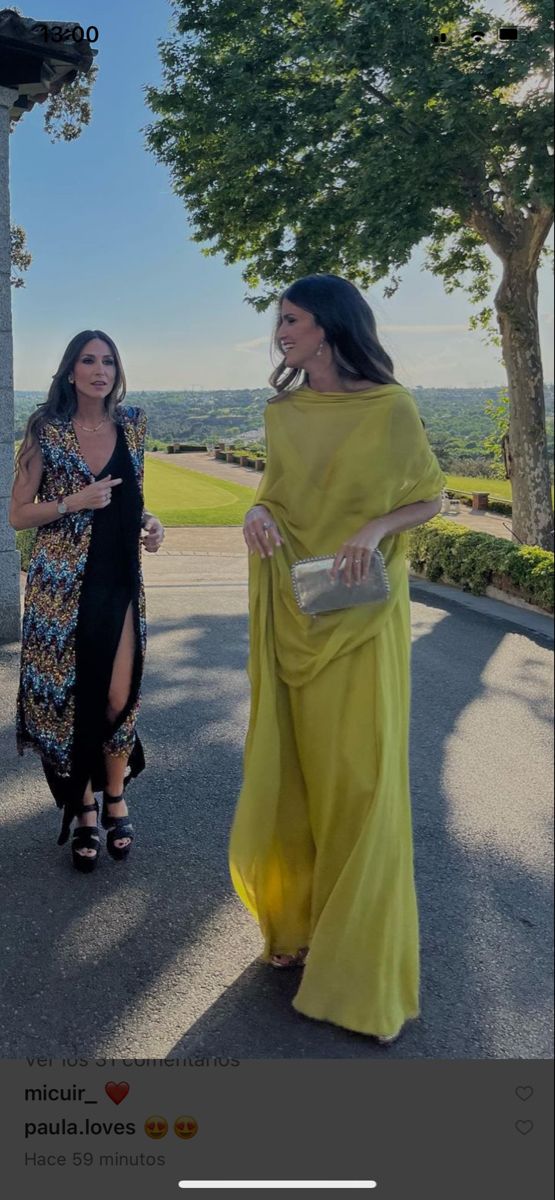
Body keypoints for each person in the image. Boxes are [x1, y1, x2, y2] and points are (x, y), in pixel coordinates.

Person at [229, 275, 444, 1042]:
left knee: (357, 781)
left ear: (326, 327)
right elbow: (276, 495)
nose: (280, 331)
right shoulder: (281, 412)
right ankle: (295, 924)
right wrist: (255, 510)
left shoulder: (390, 407)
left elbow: (430, 497)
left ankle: (356, 969)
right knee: (295, 772)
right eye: (279, 320)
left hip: (362, 619)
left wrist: (375, 528)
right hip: (295, 607)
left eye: (290, 318)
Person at [10, 330, 164, 872]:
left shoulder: (134, 422)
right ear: (70, 370)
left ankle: (116, 793)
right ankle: (84, 807)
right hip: (61, 585)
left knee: (119, 690)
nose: (100, 369)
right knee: (71, 696)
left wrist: (150, 521)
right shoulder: (44, 430)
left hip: (120, 576)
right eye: (88, 360)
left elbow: (135, 495)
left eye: (108, 360)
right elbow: (18, 513)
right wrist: (71, 501)